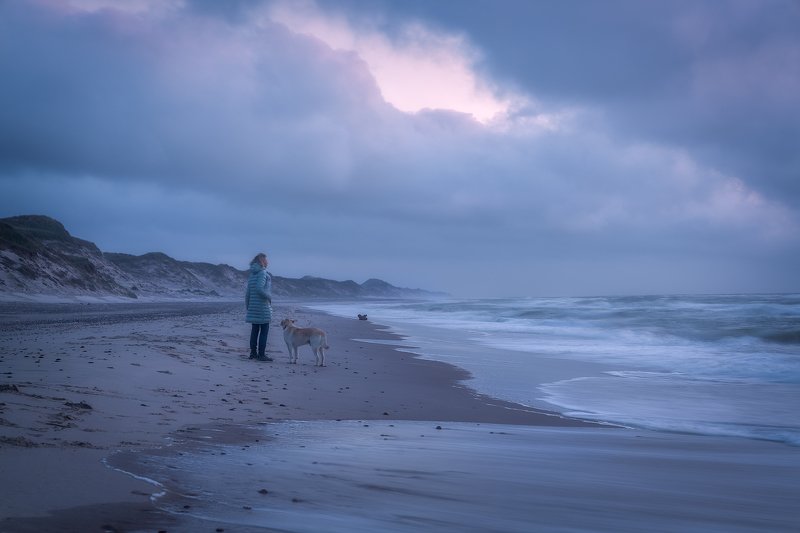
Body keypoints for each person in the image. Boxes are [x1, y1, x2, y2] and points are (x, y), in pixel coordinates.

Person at [245, 252, 273, 361]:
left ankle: (253, 353)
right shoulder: (262, 273)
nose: (268, 261)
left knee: (255, 330)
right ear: (262, 261)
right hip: (262, 306)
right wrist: (269, 297)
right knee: (264, 331)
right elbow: (259, 289)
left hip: (253, 306)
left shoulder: (252, 274)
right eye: (266, 259)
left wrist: (248, 306)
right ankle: (261, 355)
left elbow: (248, 293)